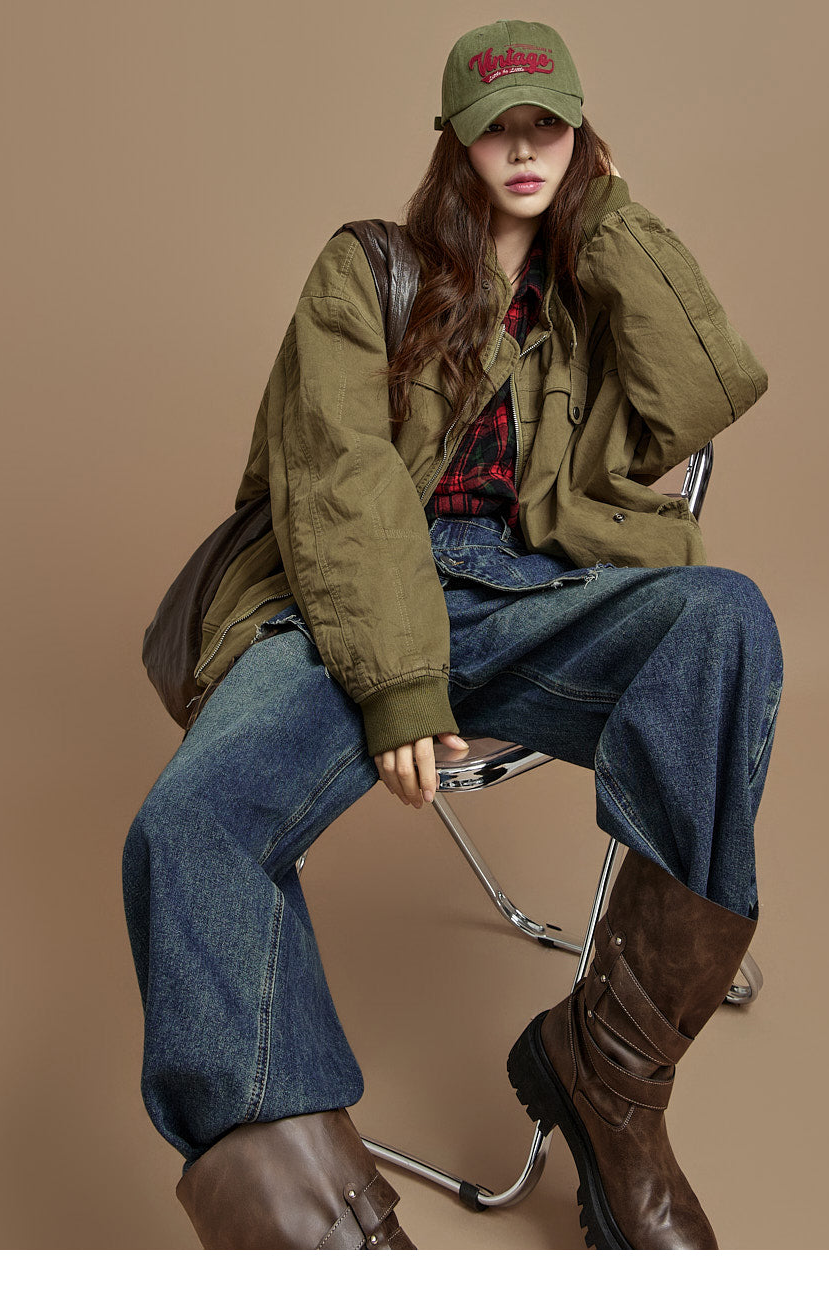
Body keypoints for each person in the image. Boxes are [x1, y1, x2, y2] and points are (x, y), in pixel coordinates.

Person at [122, 18, 783, 1250]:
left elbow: (707, 391)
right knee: (189, 825)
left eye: (549, 126)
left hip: (532, 602)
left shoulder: (590, 288)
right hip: (349, 603)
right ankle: (323, 1242)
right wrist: (399, 685)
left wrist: (612, 217)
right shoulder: (364, 271)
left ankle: (610, 1078)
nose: (524, 149)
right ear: (454, 144)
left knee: (722, 619)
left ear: (581, 136)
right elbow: (339, 483)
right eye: (497, 129)